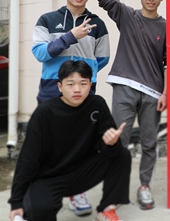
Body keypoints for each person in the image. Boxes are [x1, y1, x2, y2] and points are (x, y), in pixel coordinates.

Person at [8, 60, 130, 221]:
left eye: (83, 83)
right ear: (60, 86)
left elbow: (110, 150)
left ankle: (106, 210)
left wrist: (112, 144)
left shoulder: (97, 104)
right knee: (39, 212)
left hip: (82, 172)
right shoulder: (45, 112)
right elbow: (28, 158)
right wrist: (16, 202)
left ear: (90, 85)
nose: (77, 89)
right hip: (49, 177)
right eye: (70, 84)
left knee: (122, 155)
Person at [31, 0, 110, 216]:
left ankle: (77, 192)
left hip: (84, 94)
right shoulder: (47, 20)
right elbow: (40, 53)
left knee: (81, 144)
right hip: (51, 90)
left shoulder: (98, 24)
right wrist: (69, 37)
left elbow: (102, 58)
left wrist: (84, 79)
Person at [94, 0, 167, 210]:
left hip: (153, 92)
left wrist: (166, 93)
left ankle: (144, 186)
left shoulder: (167, 27)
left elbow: (169, 64)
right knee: (119, 139)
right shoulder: (127, 15)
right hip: (124, 85)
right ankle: (115, 189)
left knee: (149, 142)